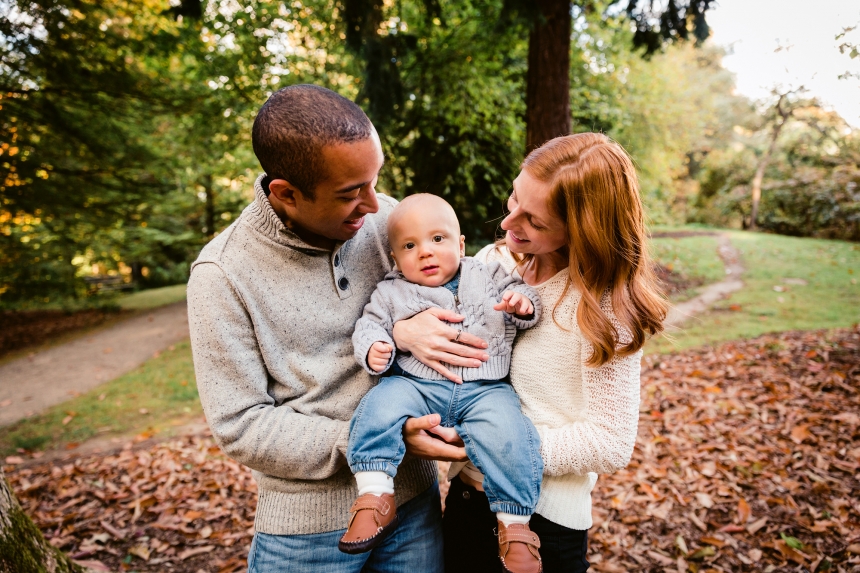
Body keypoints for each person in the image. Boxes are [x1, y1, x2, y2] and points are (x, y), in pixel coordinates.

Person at [186, 85, 481, 573]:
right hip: (305, 535)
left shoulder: (387, 219)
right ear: (287, 194)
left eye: (374, 180)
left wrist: (405, 331)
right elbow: (240, 425)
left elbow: (456, 286)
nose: (373, 204)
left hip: (414, 505)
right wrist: (378, 438)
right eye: (350, 193)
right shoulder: (222, 274)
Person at [392, 133, 667, 573]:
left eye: (533, 222)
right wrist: (405, 332)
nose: (507, 223)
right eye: (514, 198)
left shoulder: (605, 310)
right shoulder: (495, 261)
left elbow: (610, 443)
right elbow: (416, 306)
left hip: (544, 520)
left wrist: (491, 445)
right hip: (467, 497)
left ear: (583, 229)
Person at [339, 194, 544, 573]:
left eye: (438, 239)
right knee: (380, 404)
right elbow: (367, 325)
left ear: (461, 244)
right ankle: (374, 494)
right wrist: (375, 347)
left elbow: (526, 294)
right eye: (409, 246)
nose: (425, 253)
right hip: (417, 385)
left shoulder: (489, 273)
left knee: (510, 432)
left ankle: (514, 526)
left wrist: (522, 303)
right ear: (396, 257)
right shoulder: (390, 291)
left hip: (486, 388)